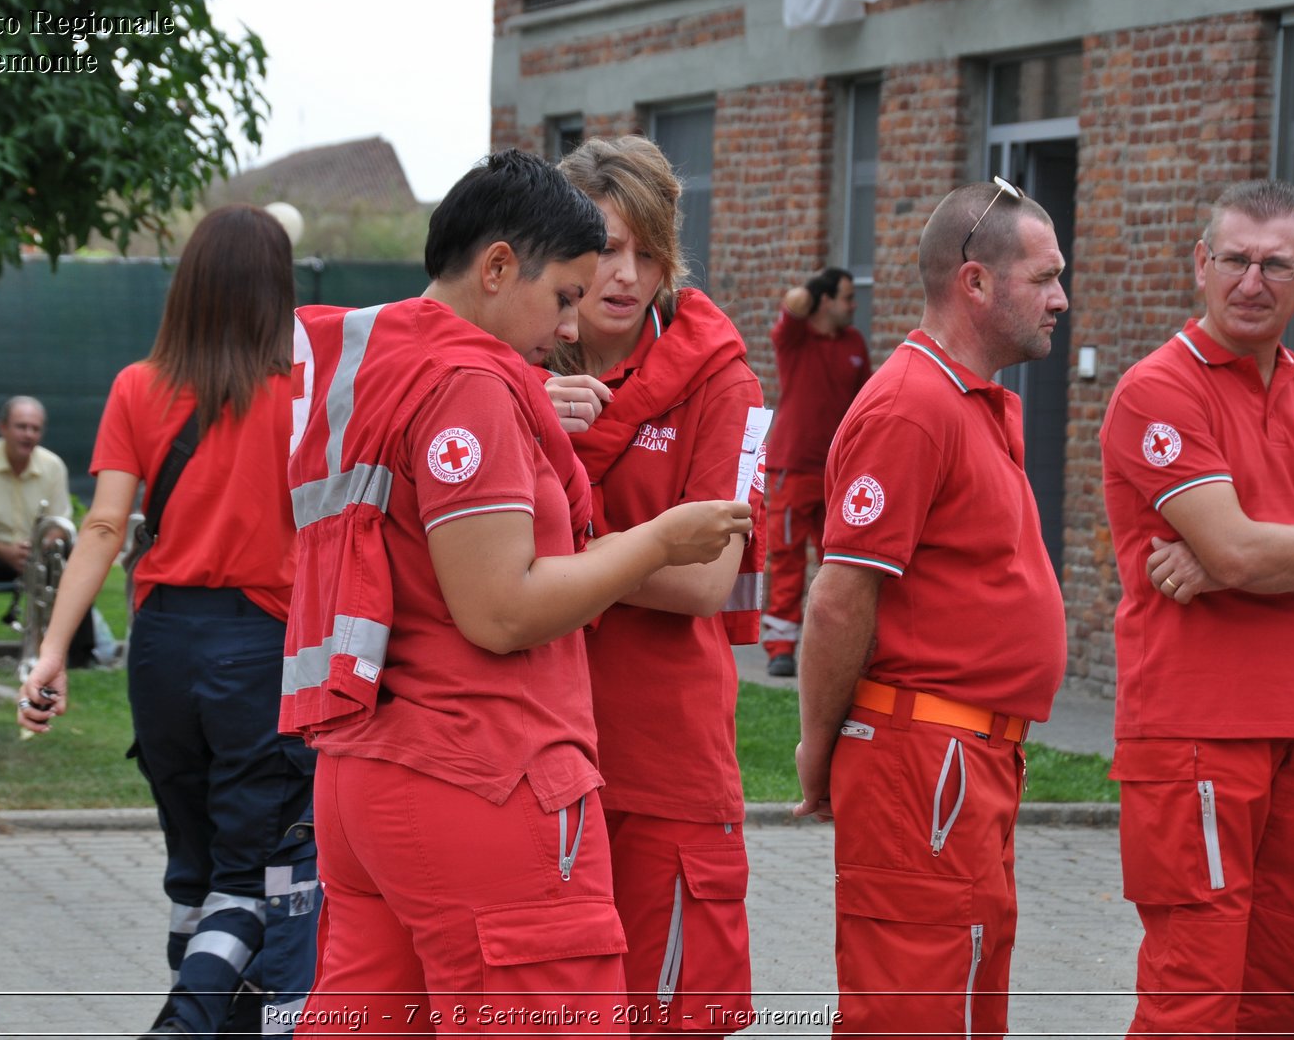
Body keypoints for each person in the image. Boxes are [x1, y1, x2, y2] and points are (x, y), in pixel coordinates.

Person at [282, 149, 752, 1034]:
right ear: (498, 266)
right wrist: (654, 538)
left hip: (368, 766)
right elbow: (501, 607)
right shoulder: (473, 381)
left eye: (640, 258)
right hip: (486, 769)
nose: (574, 318)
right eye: (567, 292)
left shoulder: (373, 360)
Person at [17, 204, 316, 1039]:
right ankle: (186, 1023)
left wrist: (52, 652)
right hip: (262, 650)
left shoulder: (138, 386)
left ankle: (207, 1018)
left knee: (193, 869)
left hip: (163, 649)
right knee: (252, 876)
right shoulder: (307, 393)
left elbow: (105, 529)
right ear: (277, 288)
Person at [793, 179, 1068, 1036]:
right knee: (910, 1011)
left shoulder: (966, 399)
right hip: (927, 764)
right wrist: (816, 747)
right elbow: (840, 599)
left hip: (966, 762)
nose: (1062, 298)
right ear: (975, 283)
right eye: (1045, 277)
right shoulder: (914, 406)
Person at [1101, 178, 1294, 1036]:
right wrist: (1241, 554)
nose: (1253, 281)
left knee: (1280, 995)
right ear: (1201, 265)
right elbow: (1237, 546)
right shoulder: (1157, 389)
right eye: (1235, 259)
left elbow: (1236, 551)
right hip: (1198, 734)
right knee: (1194, 998)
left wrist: (1233, 560)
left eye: (1276, 264)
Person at [544, 134, 764, 1033]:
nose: (625, 274)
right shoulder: (508, 369)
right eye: (604, 249)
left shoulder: (728, 383)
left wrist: (552, 549)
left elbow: (709, 578)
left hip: (663, 762)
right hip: (537, 754)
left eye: (647, 249)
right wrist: (529, 415)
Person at [760, 269, 871, 678]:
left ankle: (832, 649)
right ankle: (781, 648)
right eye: (846, 297)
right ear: (825, 301)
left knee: (838, 563)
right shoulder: (795, 337)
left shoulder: (855, 344)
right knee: (788, 558)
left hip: (839, 472)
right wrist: (812, 288)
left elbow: (865, 402)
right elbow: (792, 303)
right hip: (792, 467)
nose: (854, 306)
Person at [0, 396, 92, 666]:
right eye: (21, 427)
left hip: (39, 554)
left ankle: (82, 654)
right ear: (3, 428)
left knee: (74, 559)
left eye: (35, 429)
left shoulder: (53, 466)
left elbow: (62, 524)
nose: (28, 434)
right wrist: (3, 551)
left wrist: (39, 548)